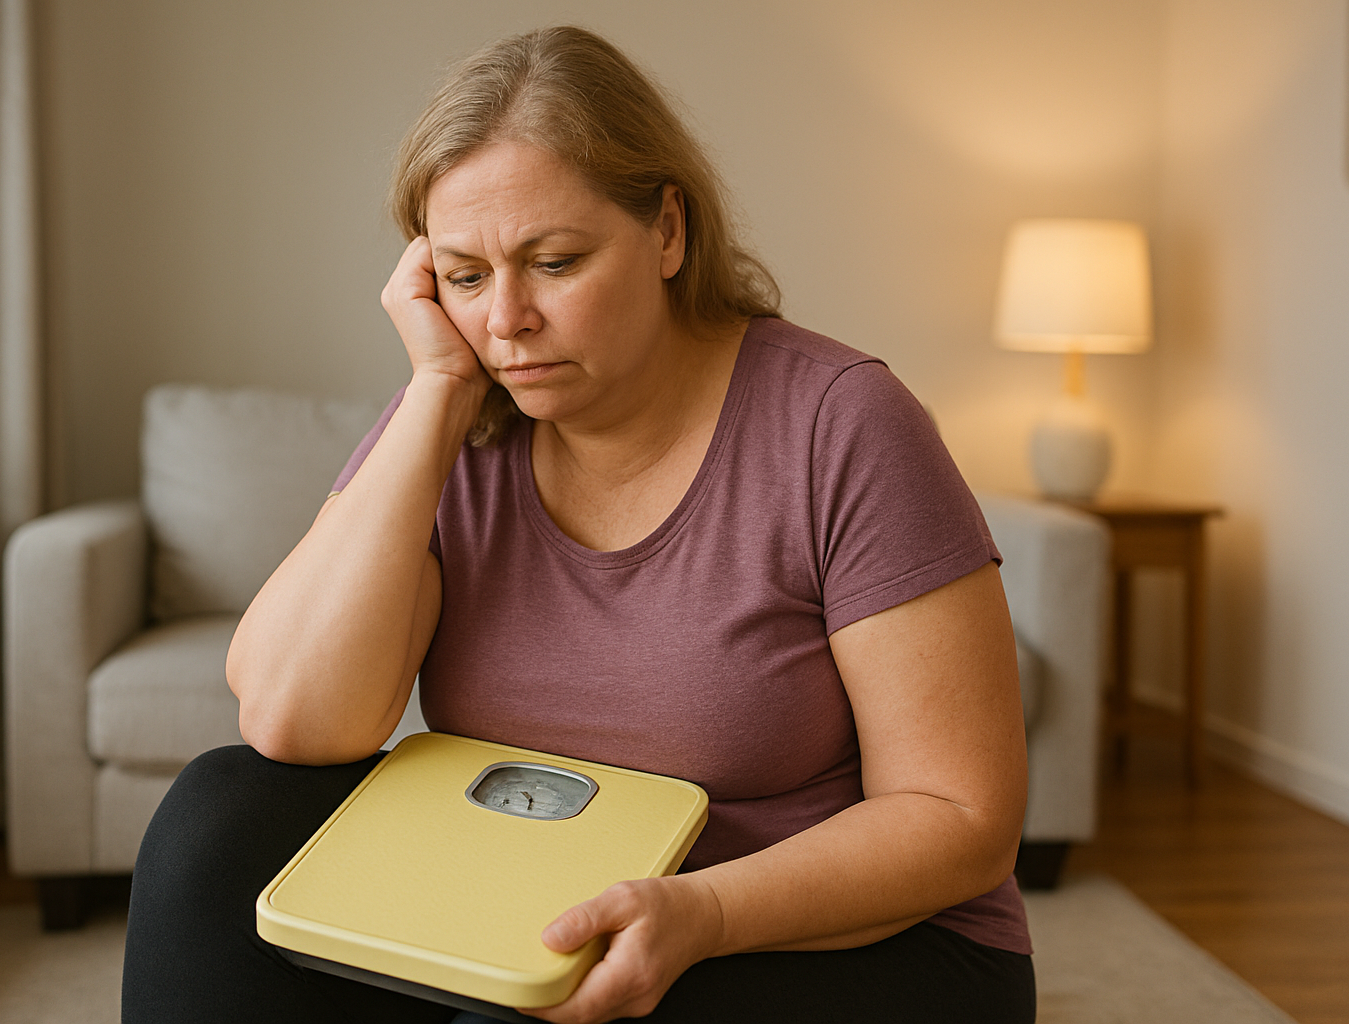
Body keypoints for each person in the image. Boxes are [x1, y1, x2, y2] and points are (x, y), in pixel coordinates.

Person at [123, 25, 1035, 1024]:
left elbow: (960, 817)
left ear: (668, 233)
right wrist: (436, 389)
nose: (507, 318)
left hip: (832, 933)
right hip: (541, 897)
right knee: (219, 821)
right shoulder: (454, 413)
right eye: (465, 277)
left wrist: (699, 913)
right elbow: (293, 720)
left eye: (554, 262)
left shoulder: (842, 423)